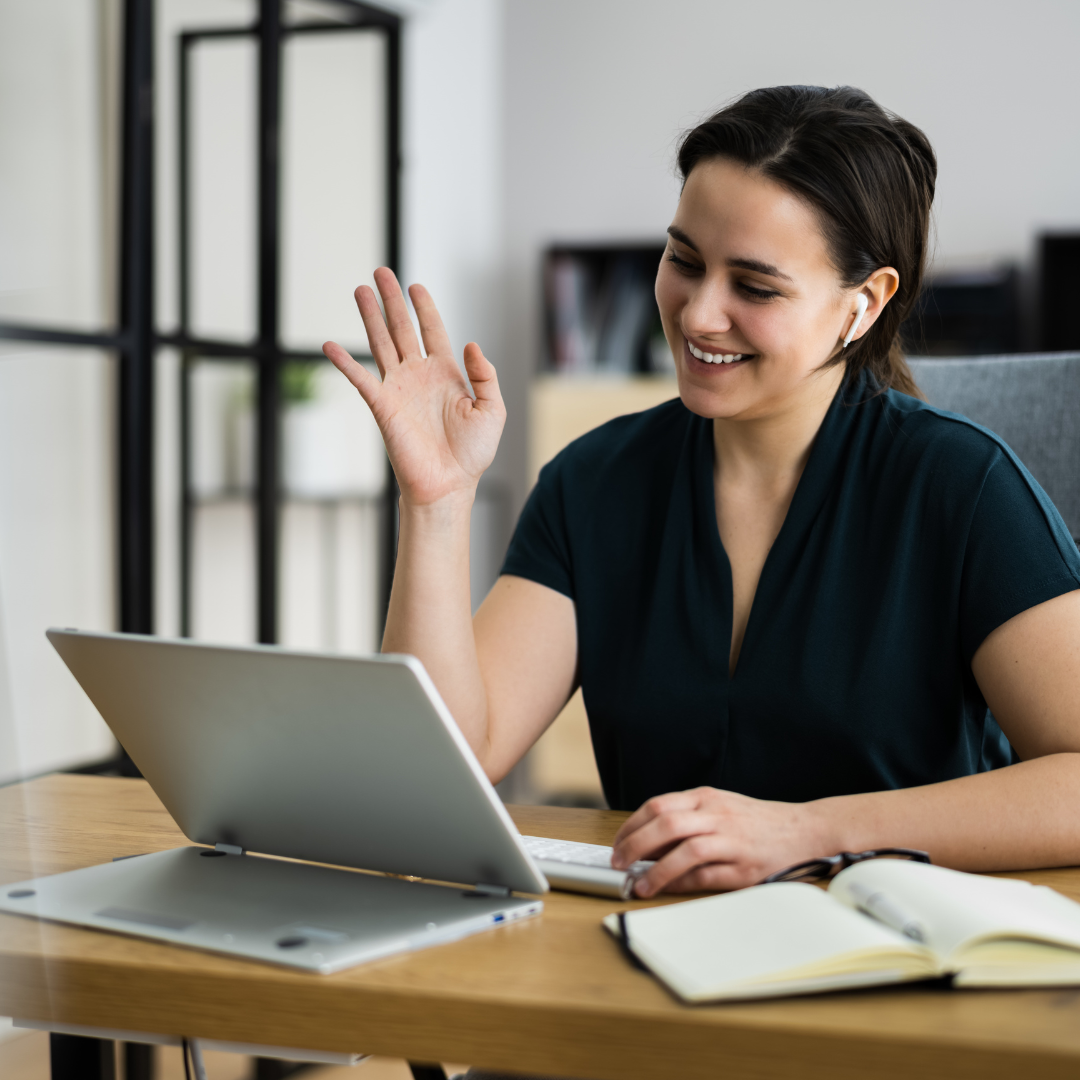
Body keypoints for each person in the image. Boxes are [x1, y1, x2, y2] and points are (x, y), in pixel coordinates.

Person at [324, 85, 1080, 899]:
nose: (698, 314)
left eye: (754, 287)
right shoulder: (595, 484)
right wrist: (436, 507)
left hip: (890, 963)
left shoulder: (964, 490)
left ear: (863, 306)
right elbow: (447, 769)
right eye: (684, 261)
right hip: (647, 951)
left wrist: (812, 833)